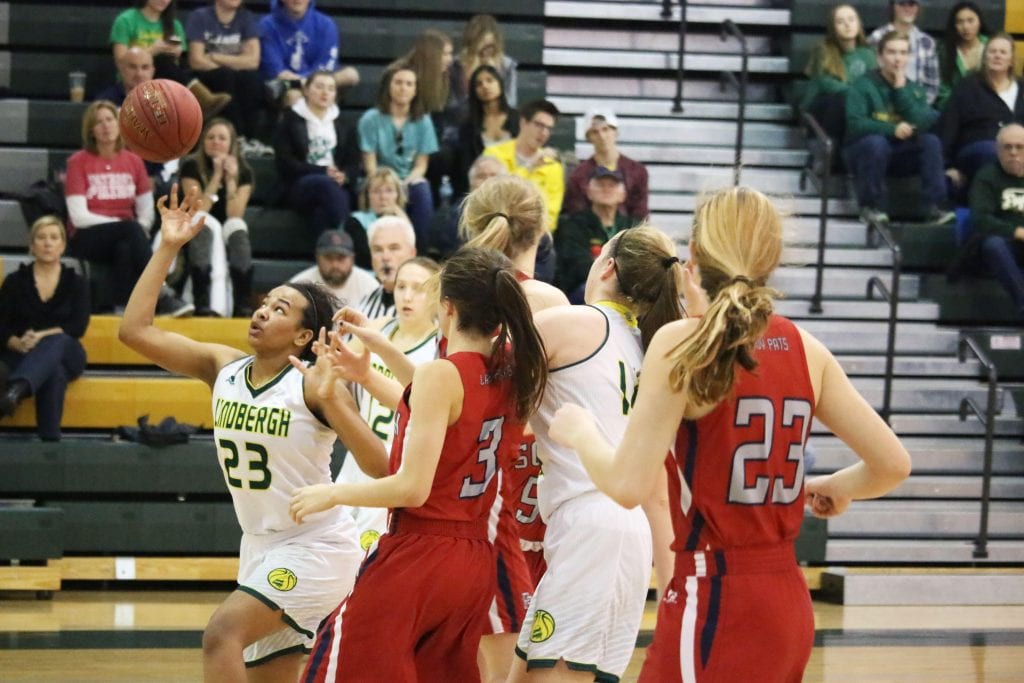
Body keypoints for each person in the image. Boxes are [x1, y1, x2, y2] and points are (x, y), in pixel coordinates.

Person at [547, 186, 912, 683]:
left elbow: (628, 486)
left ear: (693, 257)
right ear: (772, 258)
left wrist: (583, 433)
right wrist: (836, 487)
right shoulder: (807, 348)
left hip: (715, 596)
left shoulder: (682, 341)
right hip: (789, 598)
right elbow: (893, 464)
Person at [118, 185, 388, 682]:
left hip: (316, 546)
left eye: (281, 309)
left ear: (305, 337)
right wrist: (168, 246)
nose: (264, 310)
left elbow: (381, 467)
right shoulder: (223, 366)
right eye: (266, 302)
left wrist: (332, 400)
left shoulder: (313, 387)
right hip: (260, 546)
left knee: (221, 635)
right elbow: (134, 331)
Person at [291, 246, 547, 683]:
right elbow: (441, 406)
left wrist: (331, 492)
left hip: (419, 551)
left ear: (446, 308)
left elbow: (411, 488)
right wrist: (374, 362)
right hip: (471, 564)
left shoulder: (442, 374)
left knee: (334, 667)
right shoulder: (506, 367)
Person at [509, 224, 681, 683]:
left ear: (606, 266)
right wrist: (673, 590)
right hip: (625, 533)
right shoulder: (651, 349)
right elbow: (659, 491)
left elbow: (475, 384)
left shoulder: (577, 322)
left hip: (591, 526)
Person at [458, 175, 569, 681]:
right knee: (537, 643)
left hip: (471, 473)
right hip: (529, 476)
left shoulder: (457, 298)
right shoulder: (548, 300)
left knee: (480, 640)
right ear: (540, 231)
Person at [336, 256, 440, 555]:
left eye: (418, 289)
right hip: (359, 458)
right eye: (401, 286)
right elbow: (334, 371)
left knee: (366, 563)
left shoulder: (439, 349)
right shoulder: (379, 327)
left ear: (436, 294)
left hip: (396, 468)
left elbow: (418, 406)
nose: (407, 296)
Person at [64, 101, 191, 316]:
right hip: (87, 236)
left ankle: (122, 309)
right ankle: (162, 293)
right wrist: (126, 226)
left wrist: (138, 227)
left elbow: (146, 211)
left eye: (110, 119)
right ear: (91, 131)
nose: (105, 126)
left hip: (126, 234)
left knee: (125, 247)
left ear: (119, 124)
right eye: (98, 122)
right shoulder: (78, 162)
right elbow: (78, 217)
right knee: (130, 231)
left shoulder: (133, 161)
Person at [844, 31, 952, 225]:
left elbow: (923, 121)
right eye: (892, 52)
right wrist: (892, 129)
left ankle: (934, 207)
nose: (897, 58)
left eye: (903, 53)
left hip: (898, 153)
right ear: (879, 56)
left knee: (930, 142)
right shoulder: (862, 85)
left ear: (909, 57)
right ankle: (870, 207)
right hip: (862, 151)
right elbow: (855, 124)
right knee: (876, 143)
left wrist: (901, 90)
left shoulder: (913, 89)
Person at [0, 216, 88, 441]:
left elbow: (77, 326)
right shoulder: (15, 281)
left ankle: (17, 388)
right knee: (54, 372)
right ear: (31, 245)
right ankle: (50, 442)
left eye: (54, 238)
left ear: (63, 245)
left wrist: (41, 336)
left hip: (68, 351)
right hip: (22, 353)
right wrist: (15, 342)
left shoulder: (77, 283)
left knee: (58, 342)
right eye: (41, 238)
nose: (47, 243)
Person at [273, 70, 361, 248]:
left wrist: (344, 176)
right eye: (319, 86)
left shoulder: (343, 124)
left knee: (321, 213)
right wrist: (323, 172)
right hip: (299, 184)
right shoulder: (290, 120)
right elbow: (285, 163)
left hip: (335, 185)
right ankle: (348, 244)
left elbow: (354, 163)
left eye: (330, 88)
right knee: (326, 184)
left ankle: (329, 255)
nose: (325, 92)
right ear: (306, 90)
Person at [177, 117, 254, 317]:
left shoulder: (244, 172)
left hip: (225, 230)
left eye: (222, 138)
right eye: (210, 137)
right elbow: (197, 209)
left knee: (237, 226)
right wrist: (216, 177)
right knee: (206, 221)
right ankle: (201, 300)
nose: (216, 142)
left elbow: (234, 214)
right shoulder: (191, 166)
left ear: (231, 144)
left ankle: (242, 304)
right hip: (193, 229)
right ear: (203, 142)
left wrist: (230, 181)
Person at [358, 64, 439, 246]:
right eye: (399, 82)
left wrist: (402, 185)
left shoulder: (424, 121)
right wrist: (388, 186)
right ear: (389, 86)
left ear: (416, 90)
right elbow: (370, 164)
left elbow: (421, 166)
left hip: (407, 180)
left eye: (409, 84)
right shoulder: (370, 119)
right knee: (380, 191)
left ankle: (421, 250)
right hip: (379, 178)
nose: (404, 88)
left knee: (422, 190)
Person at [110, 0, 230, 117]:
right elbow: (121, 61)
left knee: (222, 75)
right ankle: (201, 97)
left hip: (167, 80)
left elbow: (177, 61)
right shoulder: (126, 20)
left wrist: (176, 52)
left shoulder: (174, 25)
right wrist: (152, 50)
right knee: (161, 60)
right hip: (135, 79)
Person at [939, 34, 1023, 196]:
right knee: (992, 152)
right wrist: (947, 166)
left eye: (1003, 52)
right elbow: (949, 125)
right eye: (992, 52)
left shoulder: (1022, 87)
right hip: (977, 148)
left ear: (1011, 60)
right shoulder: (968, 86)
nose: (997, 55)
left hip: (1018, 149)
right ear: (984, 57)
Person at [186, 0, 266, 143]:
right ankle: (237, 135)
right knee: (224, 75)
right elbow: (196, 60)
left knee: (251, 79)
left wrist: (214, 56)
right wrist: (234, 62)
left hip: (233, 73)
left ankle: (252, 139)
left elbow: (253, 61)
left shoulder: (246, 18)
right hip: (208, 75)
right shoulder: (200, 16)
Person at [966, 123, 1024, 320]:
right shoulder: (987, 176)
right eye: (1007, 147)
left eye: (1020, 147)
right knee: (993, 244)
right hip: (1001, 247)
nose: (1014, 153)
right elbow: (981, 219)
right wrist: (1017, 232)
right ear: (998, 150)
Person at [557, 167, 640, 302]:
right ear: (589, 192)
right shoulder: (573, 225)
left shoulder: (633, 226)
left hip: (624, 287)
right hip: (583, 289)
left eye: (612, 185)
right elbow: (579, 266)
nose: (606, 189)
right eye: (600, 185)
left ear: (623, 194)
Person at [259, 0, 360, 107]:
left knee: (351, 75)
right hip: (288, 85)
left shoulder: (326, 24)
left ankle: (326, 112)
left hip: (317, 80)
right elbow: (276, 70)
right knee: (294, 96)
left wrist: (308, 83)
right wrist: (301, 82)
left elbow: (326, 65)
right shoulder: (267, 25)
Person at [798, 5, 877, 140]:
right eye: (840, 22)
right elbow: (826, 84)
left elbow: (873, 85)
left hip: (853, 109)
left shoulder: (868, 54)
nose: (847, 25)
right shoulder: (823, 50)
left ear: (858, 24)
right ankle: (830, 150)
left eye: (851, 20)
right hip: (820, 110)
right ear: (833, 27)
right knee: (842, 99)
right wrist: (856, 92)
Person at [488, 100, 564, 231]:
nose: (544, 132)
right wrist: (529, 167)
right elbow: (491, 199)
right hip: (495, 230)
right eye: (539, 125)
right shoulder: (494, 155)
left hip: (534, 237)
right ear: (523, 122)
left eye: (549, 128)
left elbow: (551, 217)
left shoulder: (552, 166)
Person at [564, 109, 650, 220]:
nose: (602, 136)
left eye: (606, 129)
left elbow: (640, 214)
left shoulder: (637, 172)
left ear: (615, 132)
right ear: (588, 138)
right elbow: (576, 214)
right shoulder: (579, 175)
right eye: (595, 132)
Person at [452, 65, 520, 198]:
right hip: (481, 188)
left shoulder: (519, 119)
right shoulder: (468, 127)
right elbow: (466, 166)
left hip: (515, 183)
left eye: (490, 80)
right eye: (479, 84)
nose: (485, 86)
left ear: (499, 84)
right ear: (474, 91)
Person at [867, 0, 940, 105]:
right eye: (902, 4)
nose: (907, 8)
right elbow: (870, 77)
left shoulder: (927, 42)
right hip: (883, 105)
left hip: (917, 106)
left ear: (918, 7)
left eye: (912, 4)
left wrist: (917, 109)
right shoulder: (876, 38)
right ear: (893, 6)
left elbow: (932, 86)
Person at [290, 230, 379, 308]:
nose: (335, 265)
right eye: (328, 258)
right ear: (317, 258)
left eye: (341, 258)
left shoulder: (370, 286)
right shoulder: (300, 286)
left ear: (352, 259)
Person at [343, 167, 409, 269]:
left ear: (398, 195)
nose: (383, 197)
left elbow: (411, 255)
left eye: (389, 191)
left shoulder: (403, 220)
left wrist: (403, 220)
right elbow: (365, 259)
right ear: (367, 195)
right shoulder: (355, 221)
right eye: (376, 191)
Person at [450, 15, 519, 109]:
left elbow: (511, 103)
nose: (486, 53)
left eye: (490, 47)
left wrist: (494, 76)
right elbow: (452, 104)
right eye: (481, 49)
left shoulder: (507, 65)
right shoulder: (456, 65)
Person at [358, 215, 418, 319]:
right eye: (378, 250)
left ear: (412, 253)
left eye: (394, 248)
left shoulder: (430, 304)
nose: (385, 257)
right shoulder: (363, 303)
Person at [936, 2, 990, 109]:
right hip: (954, 109)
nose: (965, 27)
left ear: (979, 21)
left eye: (971, 20)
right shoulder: (945, 50)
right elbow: (942, 90)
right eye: (960, 22)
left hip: (987, 108)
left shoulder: (990, 46)